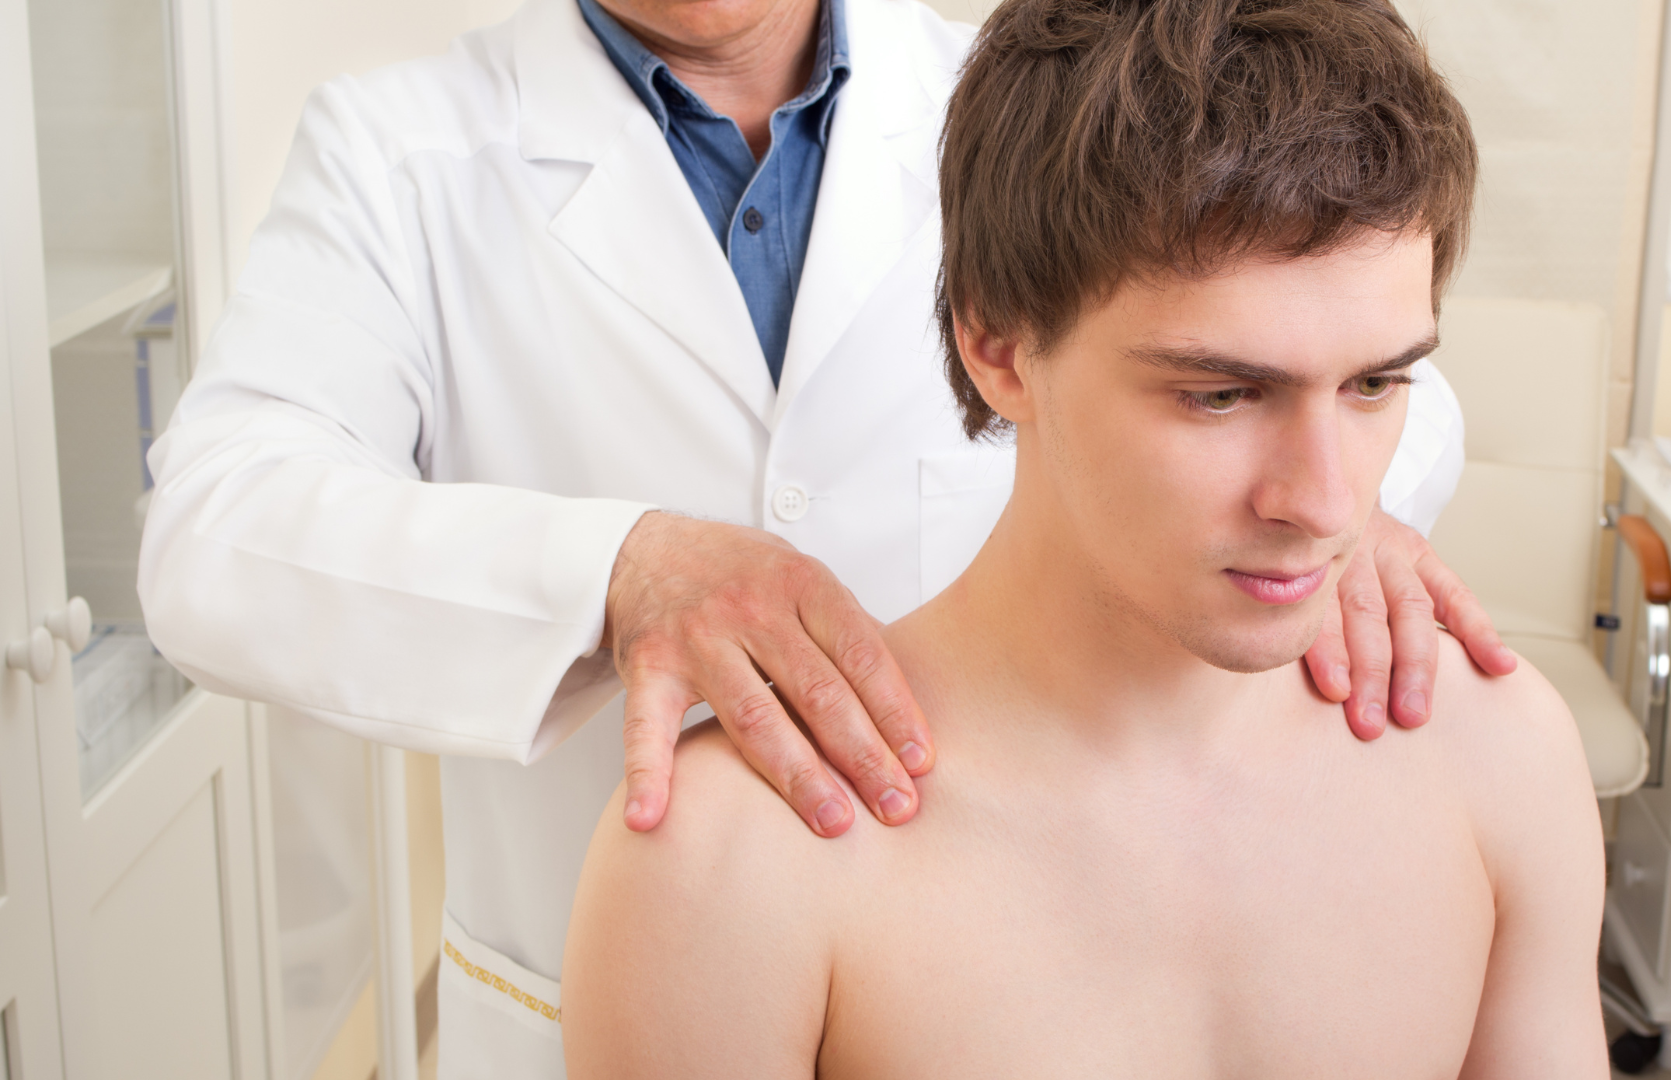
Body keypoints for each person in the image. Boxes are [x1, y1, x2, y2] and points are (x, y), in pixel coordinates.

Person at [139, 0, 1511, 1071]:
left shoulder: (1048, 105)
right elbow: (214, 532)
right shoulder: (400, 151)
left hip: (1018, 986)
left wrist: (1348, 517)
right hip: (621, 975)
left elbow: (1349, 356)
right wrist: (615, 573)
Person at [562, 0, 1607, 1074]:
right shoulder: (739, 859)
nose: (1327, 504)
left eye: (1376, 383)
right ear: (999, 348)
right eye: (1220, 395)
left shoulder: (1499, 757)